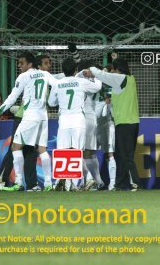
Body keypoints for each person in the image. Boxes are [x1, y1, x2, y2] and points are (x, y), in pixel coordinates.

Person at [0, 52, 57, 191]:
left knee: (15, 147)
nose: (19, 66)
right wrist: (51, 101)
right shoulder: (45, 74)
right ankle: (48, 184)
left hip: (30, 116)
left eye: (21, 63)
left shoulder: (24, 76)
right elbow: (57, 86)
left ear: (29, 64)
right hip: (43, 116)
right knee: (42, 149)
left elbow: (12, 97)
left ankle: (19, 182)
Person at [84, 57, 141, 191]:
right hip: (131, 122)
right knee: (122, 155)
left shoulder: (120, 79)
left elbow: (102, 75)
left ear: (117, 69)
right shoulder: (130, 79)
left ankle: (136, 183)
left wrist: (91, 70)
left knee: (126, 156)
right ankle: (120, 184)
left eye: (114, 69)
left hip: (125, 123)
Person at [48, 58, 101, 191]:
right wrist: (97, 74)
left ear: (63, 70)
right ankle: (85, 179)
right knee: (77, 153)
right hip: (78, 120)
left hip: (64, 121)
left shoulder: (57, 84)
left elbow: (51, 103)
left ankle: (68, 183)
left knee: (64, 153)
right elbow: (97, 87)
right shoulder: (81, 82)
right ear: (75, 70)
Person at [78, 60, 105, 191]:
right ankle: (93, 181)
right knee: (87, 153)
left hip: (85, 118)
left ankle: (93, 181)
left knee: (85, 152)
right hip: (89, 117)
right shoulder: (93, 80)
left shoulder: (83, 80)